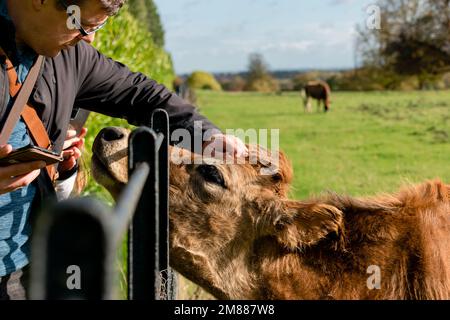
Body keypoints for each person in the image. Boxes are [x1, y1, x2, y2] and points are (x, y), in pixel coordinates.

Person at [0, 0, 247, 299]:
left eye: (97, 27)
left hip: (25, 265)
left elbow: (140, 94)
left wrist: (206, 136)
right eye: (82, 25)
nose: (89, 38)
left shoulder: (70, 57)